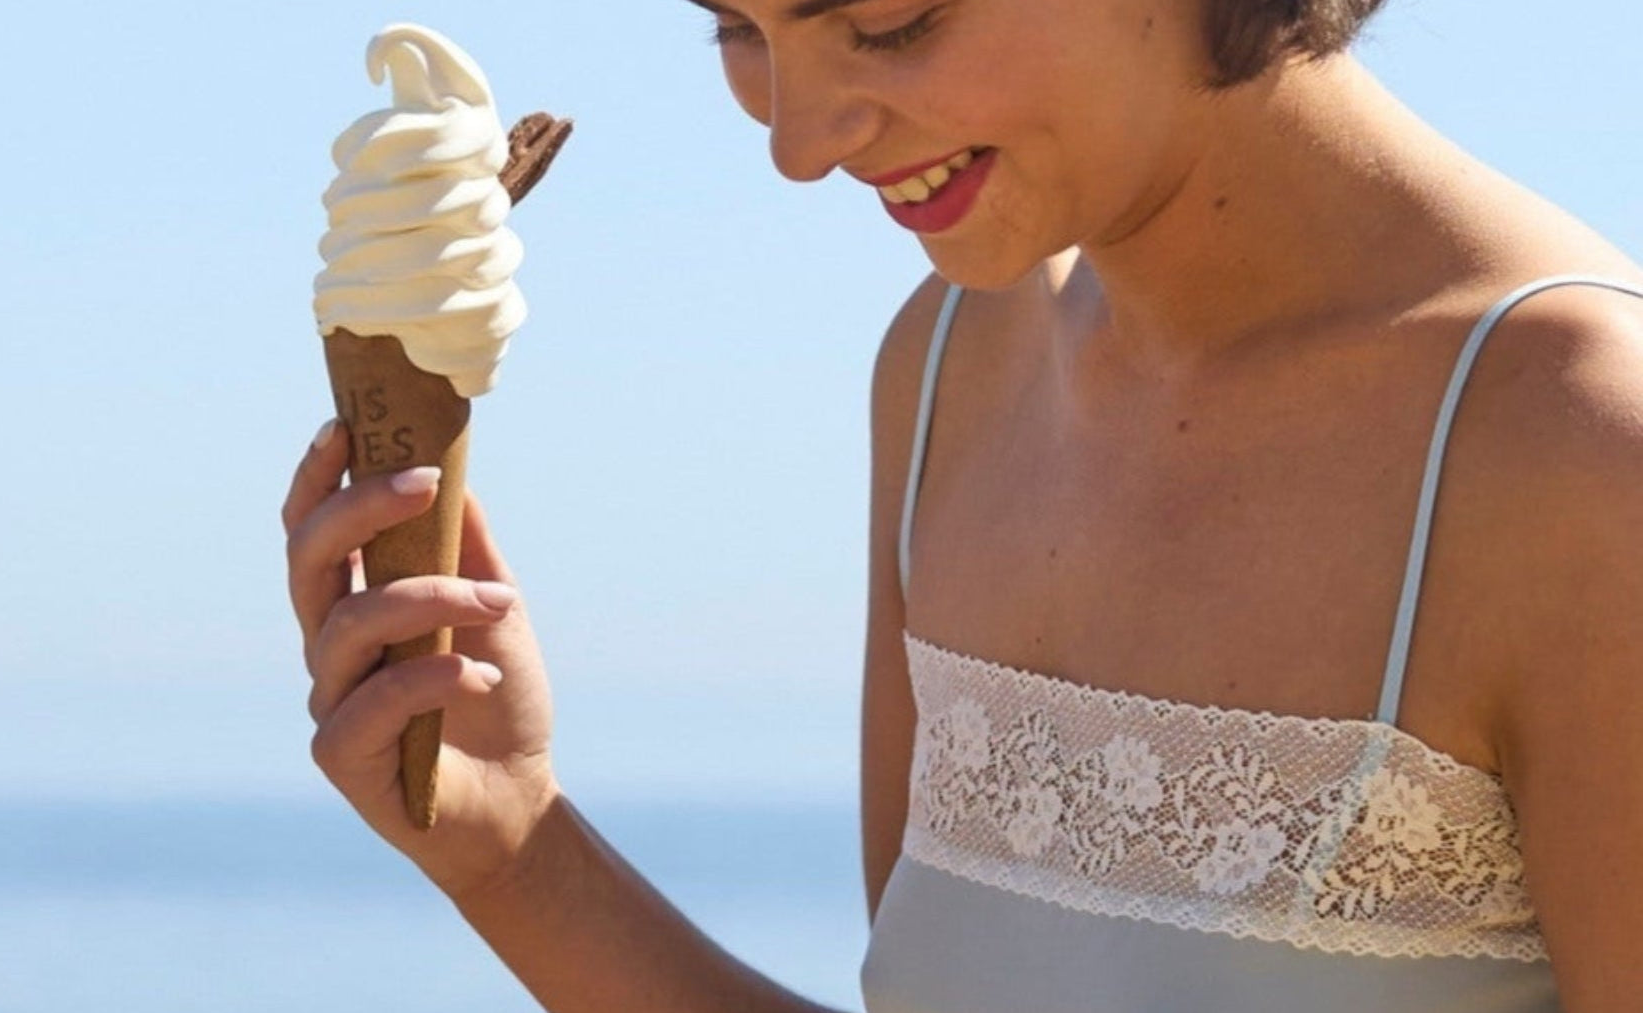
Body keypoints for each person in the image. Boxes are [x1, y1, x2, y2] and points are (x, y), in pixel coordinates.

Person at [281, 0, 1643, 1009]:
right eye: (737, 28)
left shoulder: (1580, 449)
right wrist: (514, 844)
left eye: (888, 21)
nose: (800, 145)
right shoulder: (951, 364)